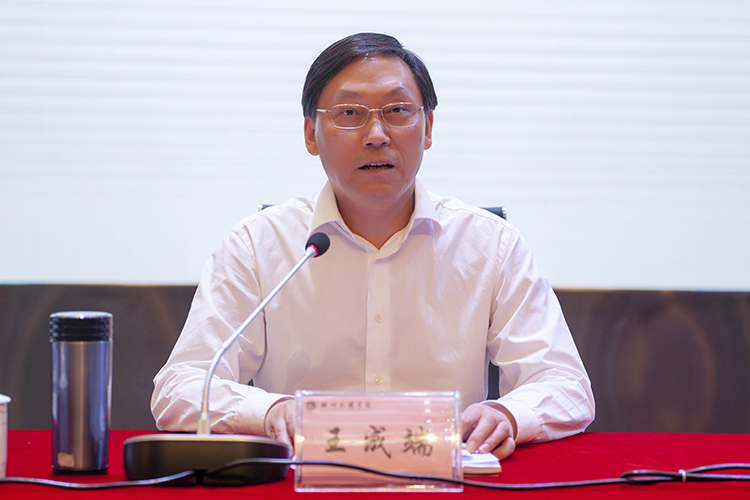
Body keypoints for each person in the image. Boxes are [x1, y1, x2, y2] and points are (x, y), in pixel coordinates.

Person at [151, 32, 595, 460]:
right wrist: (269, 413)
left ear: (428, 127)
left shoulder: (490, 245)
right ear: (310, 134)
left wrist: (508, 415)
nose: (376, 134)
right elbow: (180, 387)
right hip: (305, 481)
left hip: (445, 479)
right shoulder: (258, 245)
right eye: (349, 113)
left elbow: (566, 384)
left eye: (397, 111)